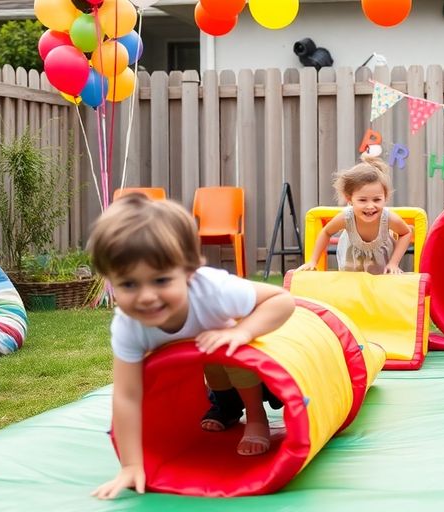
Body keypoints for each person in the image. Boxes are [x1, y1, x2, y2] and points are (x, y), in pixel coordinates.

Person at [88, 194, 296, 500]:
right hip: (202, 360)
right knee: (213, 368)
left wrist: (243, 331)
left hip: (236, 352)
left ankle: (255, 415)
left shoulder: (214, 291)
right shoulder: (128, 325)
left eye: (160, 280)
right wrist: (131, 464)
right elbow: (128, 395)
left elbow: (282, 301)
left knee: (229, 357)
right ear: (110, 282)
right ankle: (226, 407)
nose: (146, 297)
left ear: (188, 272)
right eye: (129, 284)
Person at [298, 155, 412, 274]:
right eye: (362, 200)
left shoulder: (388, 218)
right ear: (349, 199)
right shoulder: (347, 217)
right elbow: (326, 232)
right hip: (352, 268)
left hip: (381, 270)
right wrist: (313, 261)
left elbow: (406, 233)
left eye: (377, 200)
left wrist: (394, 263)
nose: (370, 206)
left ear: (385, 198)